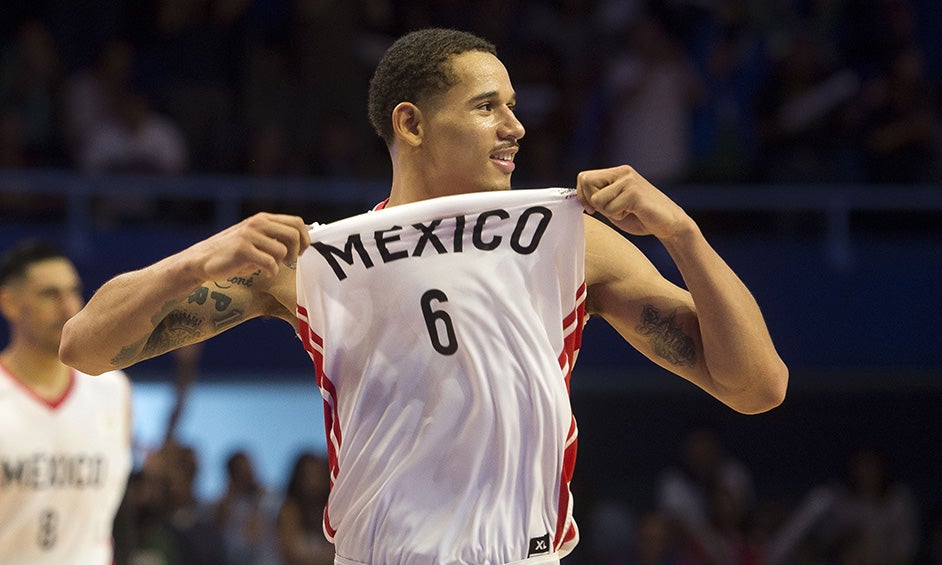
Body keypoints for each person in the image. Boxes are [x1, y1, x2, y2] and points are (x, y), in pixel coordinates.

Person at [59, 27, 788, 565]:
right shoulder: (316, 258)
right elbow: (84, 347)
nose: (516, 126)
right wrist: (191, 263)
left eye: (512, 105)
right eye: (487, 107)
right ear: (409, 122)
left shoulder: (569, 239)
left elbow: (756, 387)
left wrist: (683, 233)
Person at [0, 239, 132, 564]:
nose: (69, 307)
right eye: (50, 294)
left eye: (73, 292)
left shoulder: (113, 389)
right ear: (10, 303)